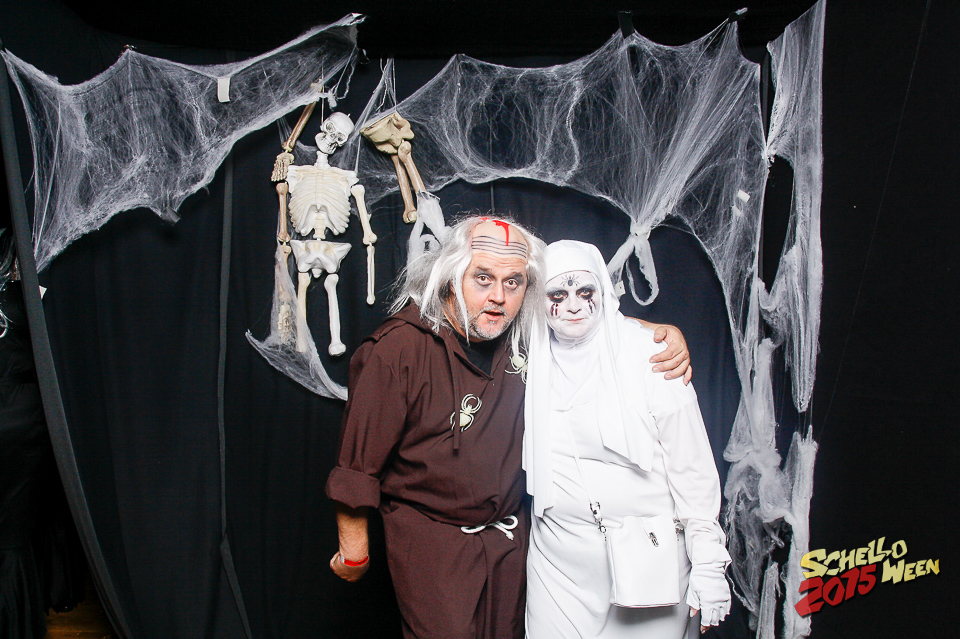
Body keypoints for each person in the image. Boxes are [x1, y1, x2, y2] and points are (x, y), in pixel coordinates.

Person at [325, 217, 691, 639]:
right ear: (450, 277)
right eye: (483, 278)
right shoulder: (397, 350)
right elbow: (357, 467)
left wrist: (658, 334)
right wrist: (355, 554)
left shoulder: (524, 331)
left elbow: (593, 325)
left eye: (513, 282)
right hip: (434, 543)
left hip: (512, 539)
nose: (498, 296)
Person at [523, 240, 730, 638]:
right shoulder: (528, 353)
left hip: (647, 561)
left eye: (586, 292)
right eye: (557, 295)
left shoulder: (651, 355)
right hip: (557, 567)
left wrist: (708, 562)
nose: (573, 305)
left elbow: (692, 466)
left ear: (603, 291)